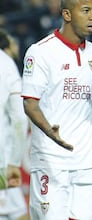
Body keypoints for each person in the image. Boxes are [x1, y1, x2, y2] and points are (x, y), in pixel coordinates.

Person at [21, 0, 92, 219]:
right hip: (51, 159)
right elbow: (30, 103)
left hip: (88, 158)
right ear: (67, 14)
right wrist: (50, 131)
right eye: (85, 10)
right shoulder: (40, 52)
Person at [0, 29, 29, 220]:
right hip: (2, 159)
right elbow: (19, 117)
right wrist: (14, 162)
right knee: (18, 213)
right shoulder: (5, 63)